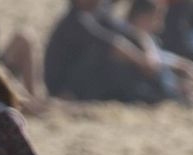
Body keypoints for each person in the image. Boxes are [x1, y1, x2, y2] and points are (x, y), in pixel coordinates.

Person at [42, 0, 171, 103]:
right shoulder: (76, 20)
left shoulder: (96, 13)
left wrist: (148, 49)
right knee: (111, 56)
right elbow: (111, 44)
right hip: (63, 86)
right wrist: (142, 61)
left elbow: (128, 31)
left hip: (84, 79)